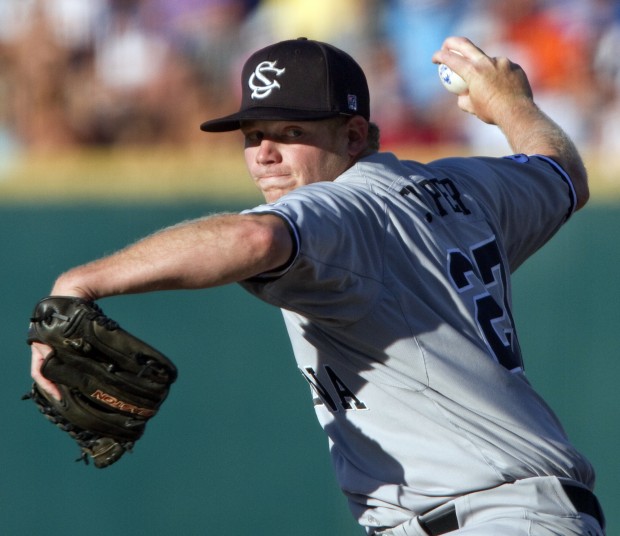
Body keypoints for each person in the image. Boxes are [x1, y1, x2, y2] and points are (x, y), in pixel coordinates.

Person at [30, 36, 605, 535]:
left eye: (291, 131)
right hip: (524, 512)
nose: (265, 155)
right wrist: (512, 106)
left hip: (486, 518)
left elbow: (253, 241)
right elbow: (562, 173)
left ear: (354, 135)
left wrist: (80, 281)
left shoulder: (341, 207)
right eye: (252, 134)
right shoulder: (464, 185)